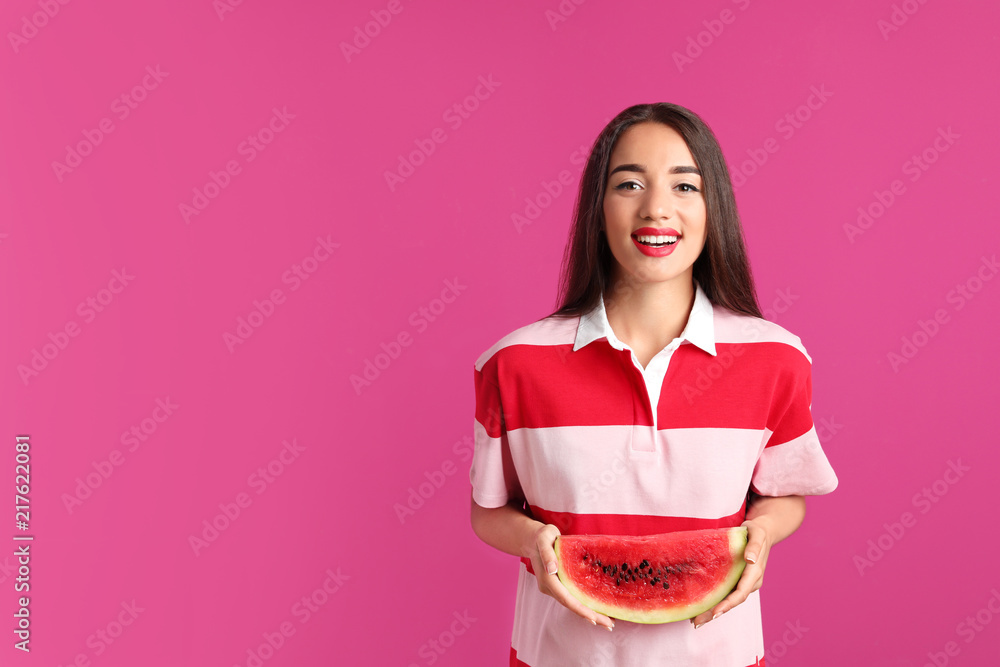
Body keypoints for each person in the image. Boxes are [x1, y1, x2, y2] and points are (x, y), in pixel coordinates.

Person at [468, 102, 838, 666]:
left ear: (714, 207)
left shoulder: (776, 356)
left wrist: (759, 534)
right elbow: (488, 509)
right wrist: (530, 544)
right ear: (598, 208)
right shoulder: (515, 362)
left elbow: (785, 493)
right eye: (629, 184)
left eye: (685, 187)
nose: (656, 208)